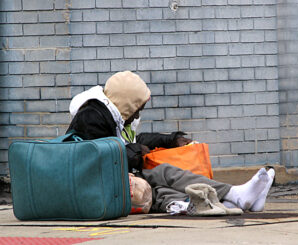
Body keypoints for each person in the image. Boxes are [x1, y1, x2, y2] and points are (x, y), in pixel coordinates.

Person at [67, 71, 275, 213]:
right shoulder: (92, 117)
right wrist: (136, 154)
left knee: (159, 187)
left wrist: (170, 140)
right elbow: (100, 156)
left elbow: (134, 141)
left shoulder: (109, 114)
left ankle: (222, 200)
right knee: (162, 174)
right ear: (126, 103)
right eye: (137, 108)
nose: (137, 114)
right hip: (94, 187)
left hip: (105, 182)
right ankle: (234, 195)